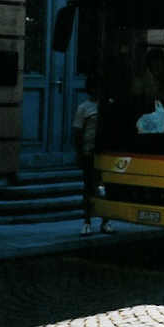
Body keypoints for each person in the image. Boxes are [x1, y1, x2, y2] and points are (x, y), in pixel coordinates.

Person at [72, 76, 113, 236]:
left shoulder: (107, 106)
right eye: (95, 88)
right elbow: (77, 132)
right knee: (89, 187)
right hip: (89, 152)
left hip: (105, 153)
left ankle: (106, 221)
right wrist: (79, 152)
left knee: (105, 188)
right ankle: (87, 221)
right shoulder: (84, 108)